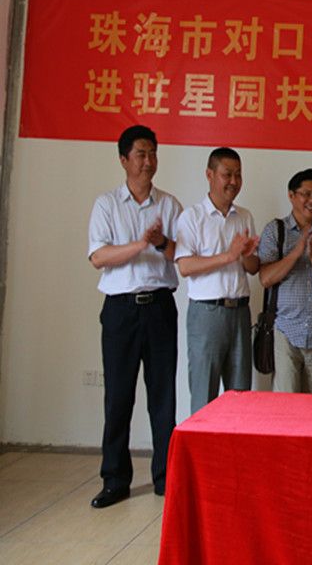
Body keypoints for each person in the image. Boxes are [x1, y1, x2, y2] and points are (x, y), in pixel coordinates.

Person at [86, 125, 182, 508]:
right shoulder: (106, 205)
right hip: (120, 311)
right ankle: (115, 479)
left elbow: (181, 256)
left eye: (153, 153)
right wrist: (141, 243)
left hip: (159, 307)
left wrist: (160, 242)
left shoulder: (169, 205)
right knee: (118, 396)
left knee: (163, 396)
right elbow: (98, 256)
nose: (148, 161)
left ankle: (165, 477)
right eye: (141, 154)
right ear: (124, 159)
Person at [175, 147, 260, 414]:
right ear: (209, 175)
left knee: (240, 396)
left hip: (240, 313)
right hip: (207, 314)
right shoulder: (192, 217)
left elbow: (253, 268)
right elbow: (185, 266)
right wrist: (228, 256)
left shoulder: (244, 216)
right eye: (227, 174)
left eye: (238, 175)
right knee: (204, 394)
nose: (233, 181)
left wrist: (245, 255)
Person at [257, 169, 312, 394]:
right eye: (306, 194)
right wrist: (298, 250)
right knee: (285, 406)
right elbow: (265, 278)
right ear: (291, 195)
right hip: (285, 332)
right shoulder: (275, 230)